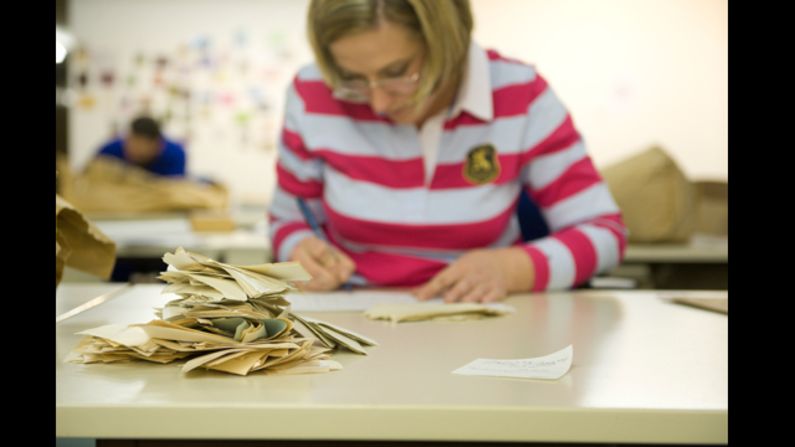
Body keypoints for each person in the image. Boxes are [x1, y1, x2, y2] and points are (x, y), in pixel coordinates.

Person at [268, 0, 627, 303]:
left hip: (482, 318)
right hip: (349, 315)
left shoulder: (521, 94)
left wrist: (512, 269)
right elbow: (287, 220)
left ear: (447, 41)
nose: (377, 102)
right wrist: (300, 250)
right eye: (353, 78)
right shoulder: (312, 91)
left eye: (397, 72)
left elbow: (604, 232)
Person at [95, 116, 186, 176]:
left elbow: (175, 188)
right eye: (133, 144)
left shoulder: (175, 154)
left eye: (142, 147)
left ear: (158, 145)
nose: (136, 151)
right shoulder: (109, 151)